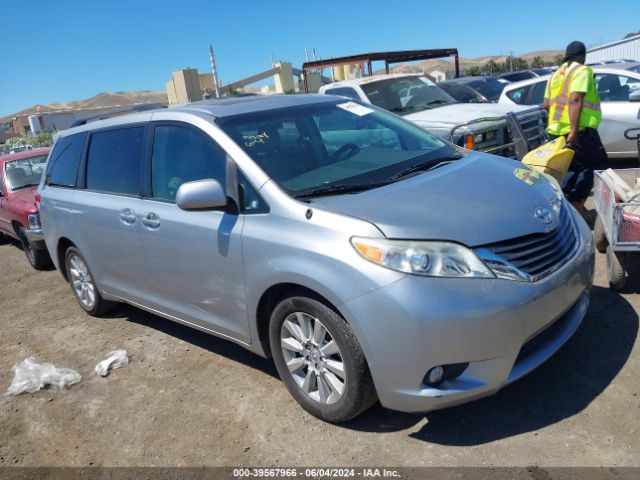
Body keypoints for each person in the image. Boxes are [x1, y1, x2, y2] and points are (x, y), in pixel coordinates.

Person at [543, 41, 607, 219]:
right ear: (583, 56)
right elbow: (575, 99)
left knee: (571, 169)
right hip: (578, 131)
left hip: (556, 131)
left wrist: (560, 122)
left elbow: (547, 104)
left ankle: (568, 207)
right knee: (598, 164)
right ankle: (576, 203)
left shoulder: (555, 75)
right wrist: (572, 130)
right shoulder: (582, 71)